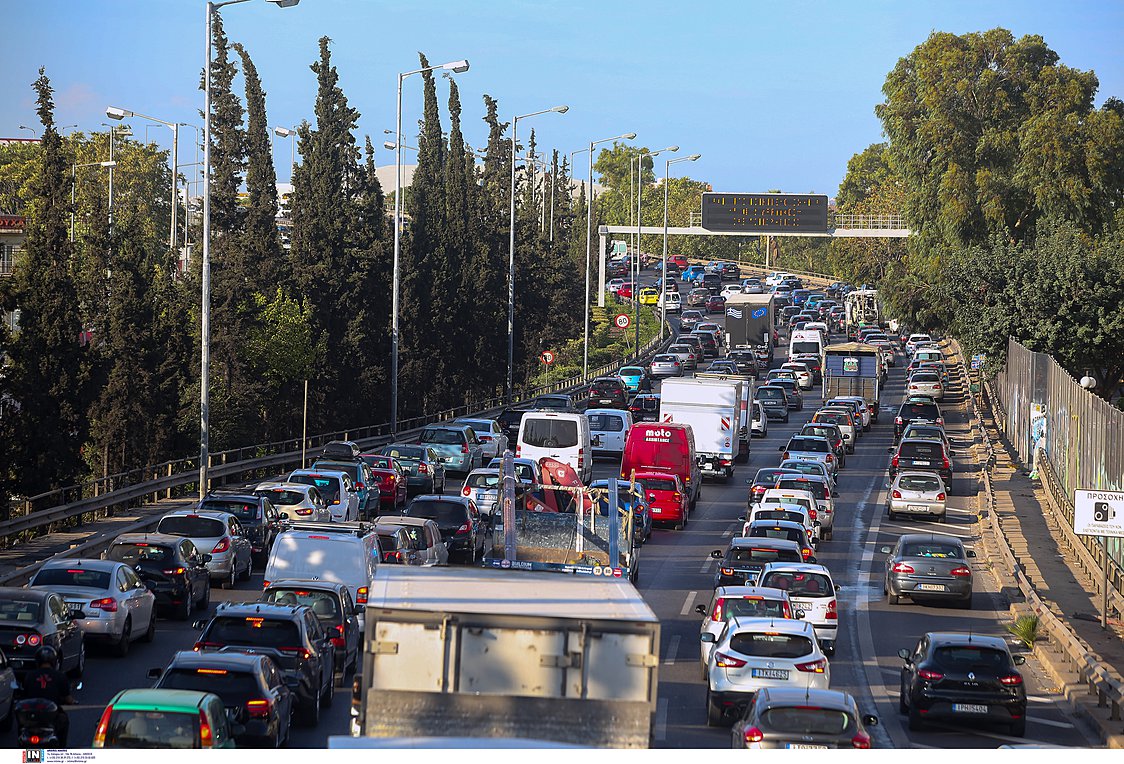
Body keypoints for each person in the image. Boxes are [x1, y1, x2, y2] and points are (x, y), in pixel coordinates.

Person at [21, 646, 74, 746]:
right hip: (52, 717)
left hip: (31, 716)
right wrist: (71, 701)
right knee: (64, 720)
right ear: (53, 661)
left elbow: (24, 693)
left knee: (21, 727)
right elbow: (68, 698)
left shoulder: (29, 675)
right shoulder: (60, 676)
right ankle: (61, 750)